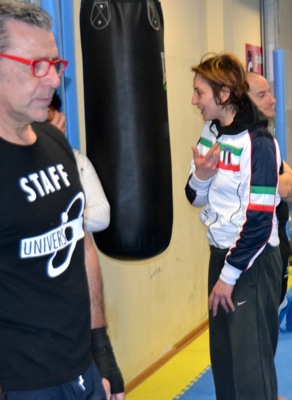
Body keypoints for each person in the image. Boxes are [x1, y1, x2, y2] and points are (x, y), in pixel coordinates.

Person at [0, 2, 124, 400]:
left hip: (82, 368)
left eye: (55, 64)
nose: (54, 79)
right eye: (37, 65)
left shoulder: (55, 143)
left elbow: (80, 243)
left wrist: (101, 347)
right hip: (23, 383)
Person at [184, 53, 282, 400]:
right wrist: (201, 175)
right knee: (224, 365)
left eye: (200, 93)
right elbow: (194, 197)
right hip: (220, 256)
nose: (194, 100)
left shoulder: (260, 144)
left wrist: (228, 278)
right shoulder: (211, 132)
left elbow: (259, 222)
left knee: (251, 372)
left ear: (223, 94)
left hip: (252, 263)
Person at [246, 71, 292, 309]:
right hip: (255, 247)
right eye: (262, 95)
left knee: (276, 307)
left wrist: (276, 181)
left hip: (277, 237)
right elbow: (285, 187)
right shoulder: (244, 144)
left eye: (269, 92)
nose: (272, 99)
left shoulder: (268, 141)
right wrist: (280, 182)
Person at [49, 93, 111, 233]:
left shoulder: (78, 160)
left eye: (52, 122)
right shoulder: (17, 163)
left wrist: (61, 222)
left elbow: (102, 216)